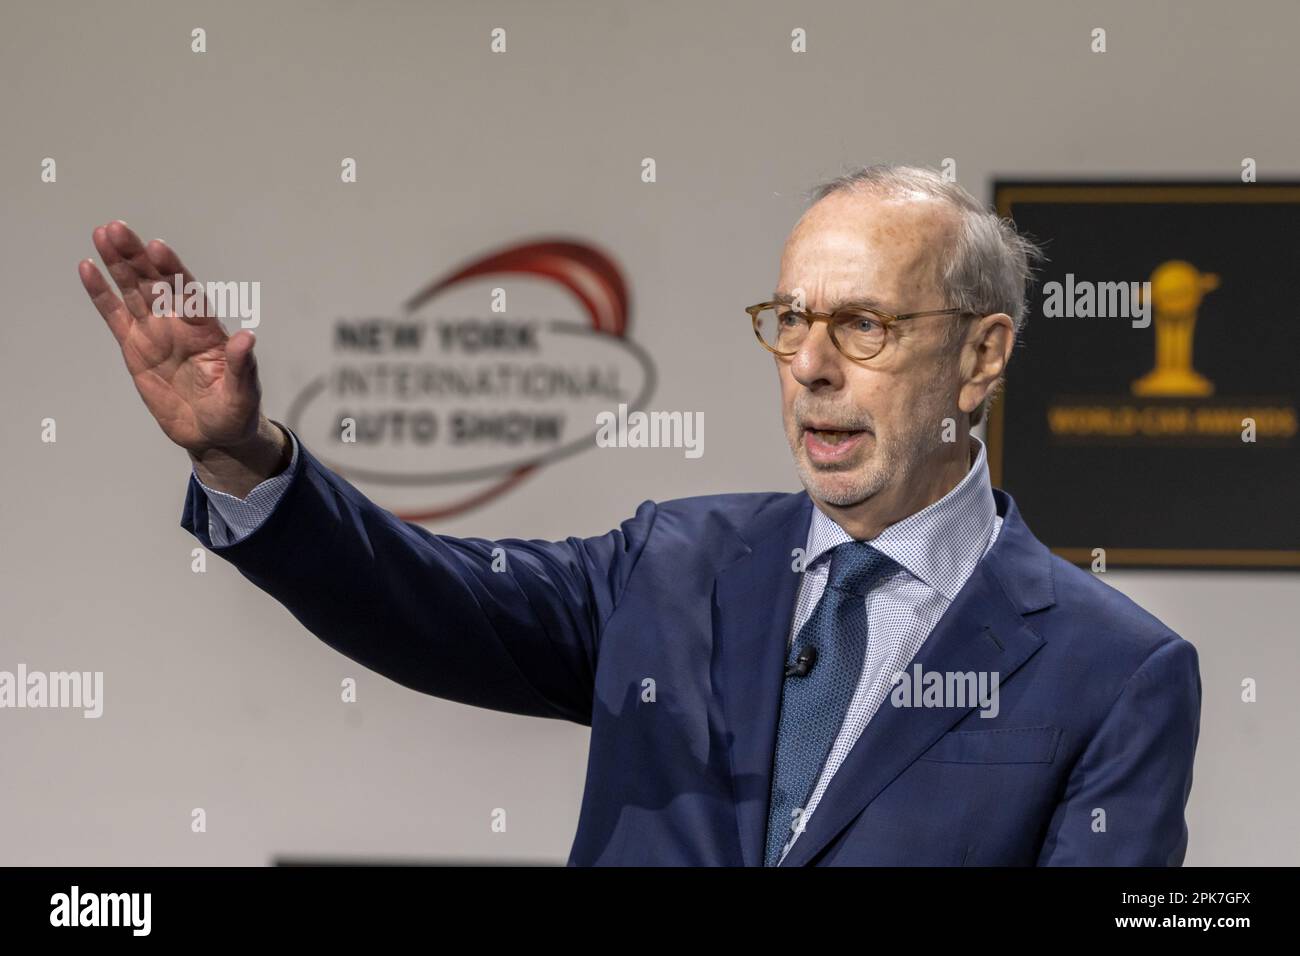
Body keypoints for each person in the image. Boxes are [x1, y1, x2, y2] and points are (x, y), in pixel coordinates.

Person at [78, 164, 1201, 866]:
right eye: (789, 319)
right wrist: (243, 457)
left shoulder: (1113, 672)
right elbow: (423, 599)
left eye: (862, 325)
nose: (807, 366)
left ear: (980, 353)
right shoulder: (673, 563)